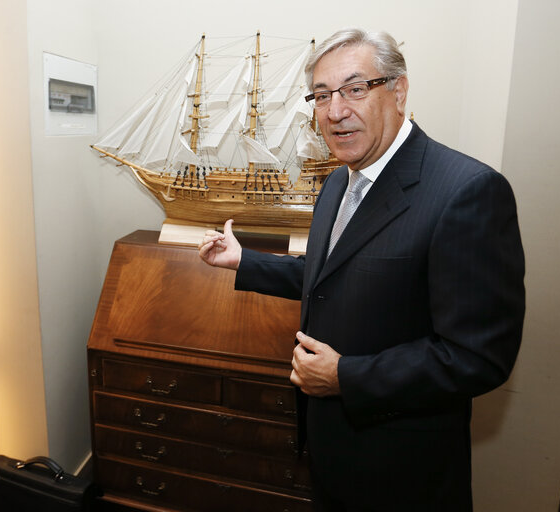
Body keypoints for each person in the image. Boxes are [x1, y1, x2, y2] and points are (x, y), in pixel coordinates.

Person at [198, 28, 524, 512]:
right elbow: (331, 273)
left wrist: (347, 377)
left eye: (354, 89)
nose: (334, 111)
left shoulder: (468, 191)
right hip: (332, 454)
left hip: (402, 469)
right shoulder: (336, 183)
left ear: (399, 91)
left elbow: (479, 356)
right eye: (323, 95)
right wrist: (245, 260)